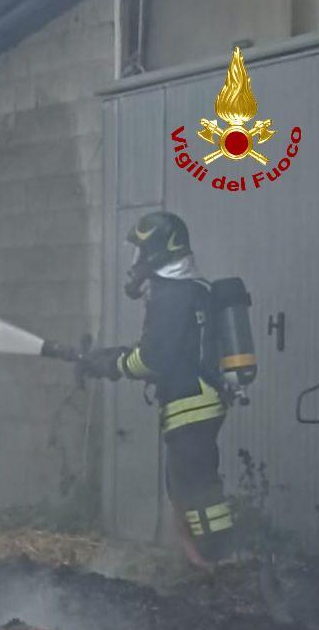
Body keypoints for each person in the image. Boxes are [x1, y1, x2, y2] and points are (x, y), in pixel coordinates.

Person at [80, 211, 234, 571]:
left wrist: (113, 364)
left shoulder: (172, 295)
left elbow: (152, 359)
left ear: (159, 253)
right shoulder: (190, 290)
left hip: (191, 405)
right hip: (196, 403)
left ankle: (219, 565)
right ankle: (201, 564)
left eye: (141, 252)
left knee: (197, 491)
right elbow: (167, 350)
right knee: (182, 488)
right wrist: (115, 357)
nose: (135, 262)